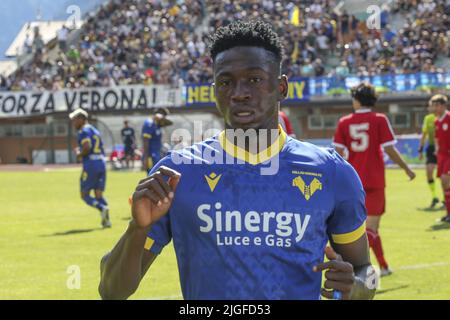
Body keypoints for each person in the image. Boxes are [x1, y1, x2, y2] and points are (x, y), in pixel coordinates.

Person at [99, 20, 377, 300]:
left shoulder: (332, 172)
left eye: (254, 79)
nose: (239, 92)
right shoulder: (176, 174)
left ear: (281, 87)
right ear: (215, 90)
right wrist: (138, 228)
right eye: (226, 82)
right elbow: (112, 291)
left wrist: (358, 287)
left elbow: (366, 270)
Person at [333, 82, 415, 277]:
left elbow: (337, 152)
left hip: (353, 181)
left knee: (364, 229)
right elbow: (389, 149)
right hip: (375, 180)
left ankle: (383, 266)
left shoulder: (344, 122)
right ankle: (354, 266)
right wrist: (406, 168)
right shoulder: (379, 119)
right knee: (371, 229)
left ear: (356, 100)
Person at [69, 108, 111, 228]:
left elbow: (87, 148)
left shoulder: (83, 131)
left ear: (82, 119)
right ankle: (106, 221)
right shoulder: (95, 130)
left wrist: (79, 153)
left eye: (75, 120)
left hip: (91, 164)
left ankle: (101, 208)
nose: (73, 123)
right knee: (99, 194)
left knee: (84, 194)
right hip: (101, 163)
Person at [418, 100, 440, 208]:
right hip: (431, 148)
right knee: (429, 172)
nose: (430, 108)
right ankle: (435, 197)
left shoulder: (446, 117)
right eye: (430, 106)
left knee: (445, 176)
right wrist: (420, 150)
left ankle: (446, 199)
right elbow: (424, 135)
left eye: (432, 106)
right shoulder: (428, 119)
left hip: (444, 149)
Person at [433, 94, 450, 222]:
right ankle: (448, 212)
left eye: (437, 105)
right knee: (444, 184)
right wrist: (437, 149)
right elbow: (437, 137)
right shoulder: (436, 120)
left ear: (444, 105)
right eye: (434, 105)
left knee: (445, 180)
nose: (435, 108)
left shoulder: (449, 118)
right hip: (442, 156)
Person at [141, 108, 171, 173]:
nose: (164, 118)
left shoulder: (157, 125)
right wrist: (145, 158)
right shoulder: (149, 123)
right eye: (164, 116)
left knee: (156, 177)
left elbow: (170, 123)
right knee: (151, 176)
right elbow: (145, 141)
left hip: (156, 154)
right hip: (150, 156)